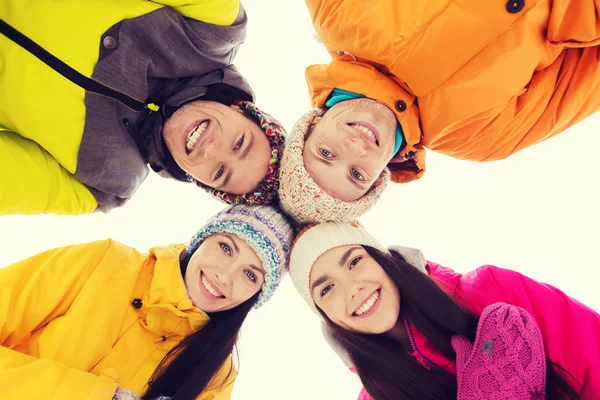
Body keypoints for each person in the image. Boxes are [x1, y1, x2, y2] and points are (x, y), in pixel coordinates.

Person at [277, 0, 600, 223]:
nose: (356, 149)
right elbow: (588, 76)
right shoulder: (476, 136)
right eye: (357, 175)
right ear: (379, 178)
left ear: (312, 124)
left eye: (326, 152)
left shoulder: (336, 15)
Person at [0, 0, 286, 216]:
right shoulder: (214, 28)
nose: (211, 150)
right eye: (239, 143)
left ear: (201, 182)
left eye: (220, 173)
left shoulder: (103, 183)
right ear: (242, 110)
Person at [0, 204, 294, 399]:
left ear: (257, 295)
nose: (225, 276)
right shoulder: (105, 262)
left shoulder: (217, 375)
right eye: (226, 248)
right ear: (201, 240)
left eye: (250, 275)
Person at [288, 221, 600, 399]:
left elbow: (591, 351)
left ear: (383, 259)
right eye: (326, 289)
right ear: (325, 316)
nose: (352, 288)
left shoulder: (492, 291)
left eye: (355, 261)